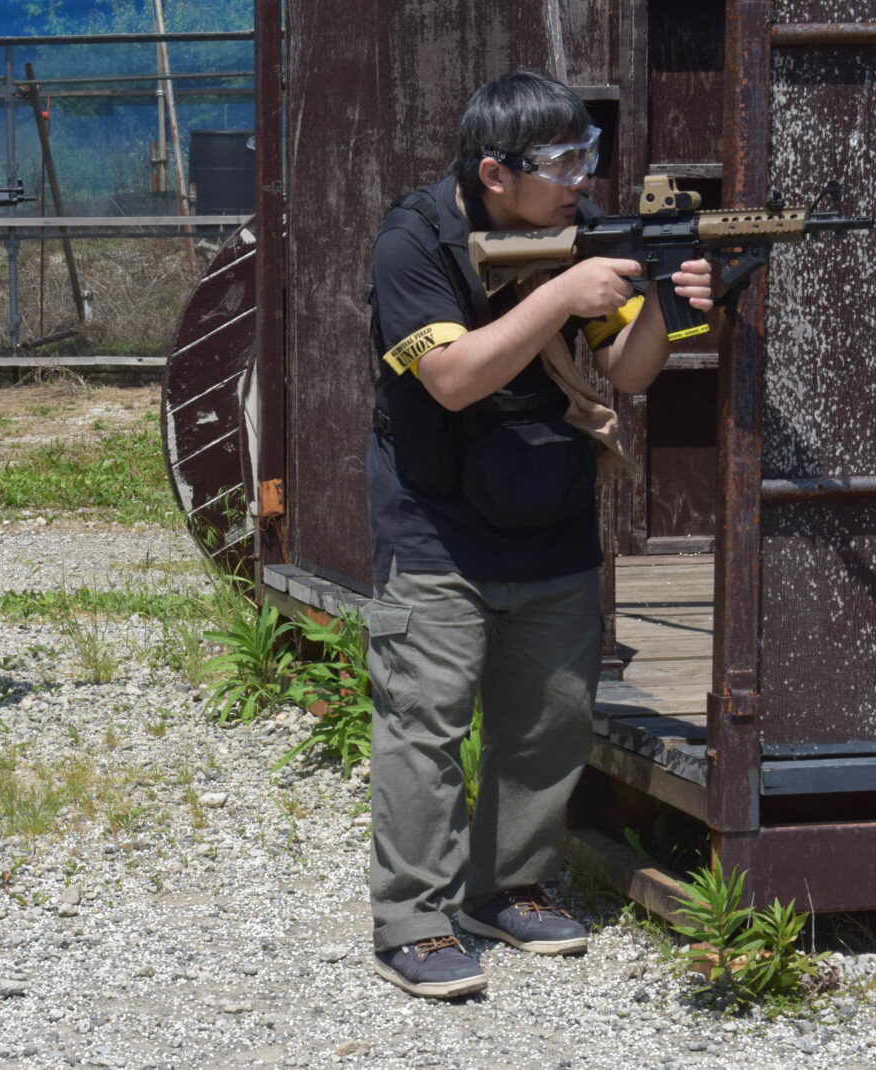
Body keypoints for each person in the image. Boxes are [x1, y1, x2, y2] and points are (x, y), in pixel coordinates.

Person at [363, 70, 713, 998]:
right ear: (494, 172)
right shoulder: (413, 242)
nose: (581, 180)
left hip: (549, 513)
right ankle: (414, 921)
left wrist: (672, 300)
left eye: (585, 157)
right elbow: (450, 379)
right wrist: (560, 298)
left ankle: (507, 887)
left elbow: (629, 373)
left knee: (550, 723)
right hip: (436, 524)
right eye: (561, 163)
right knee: (425, 728)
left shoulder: (576, 234)